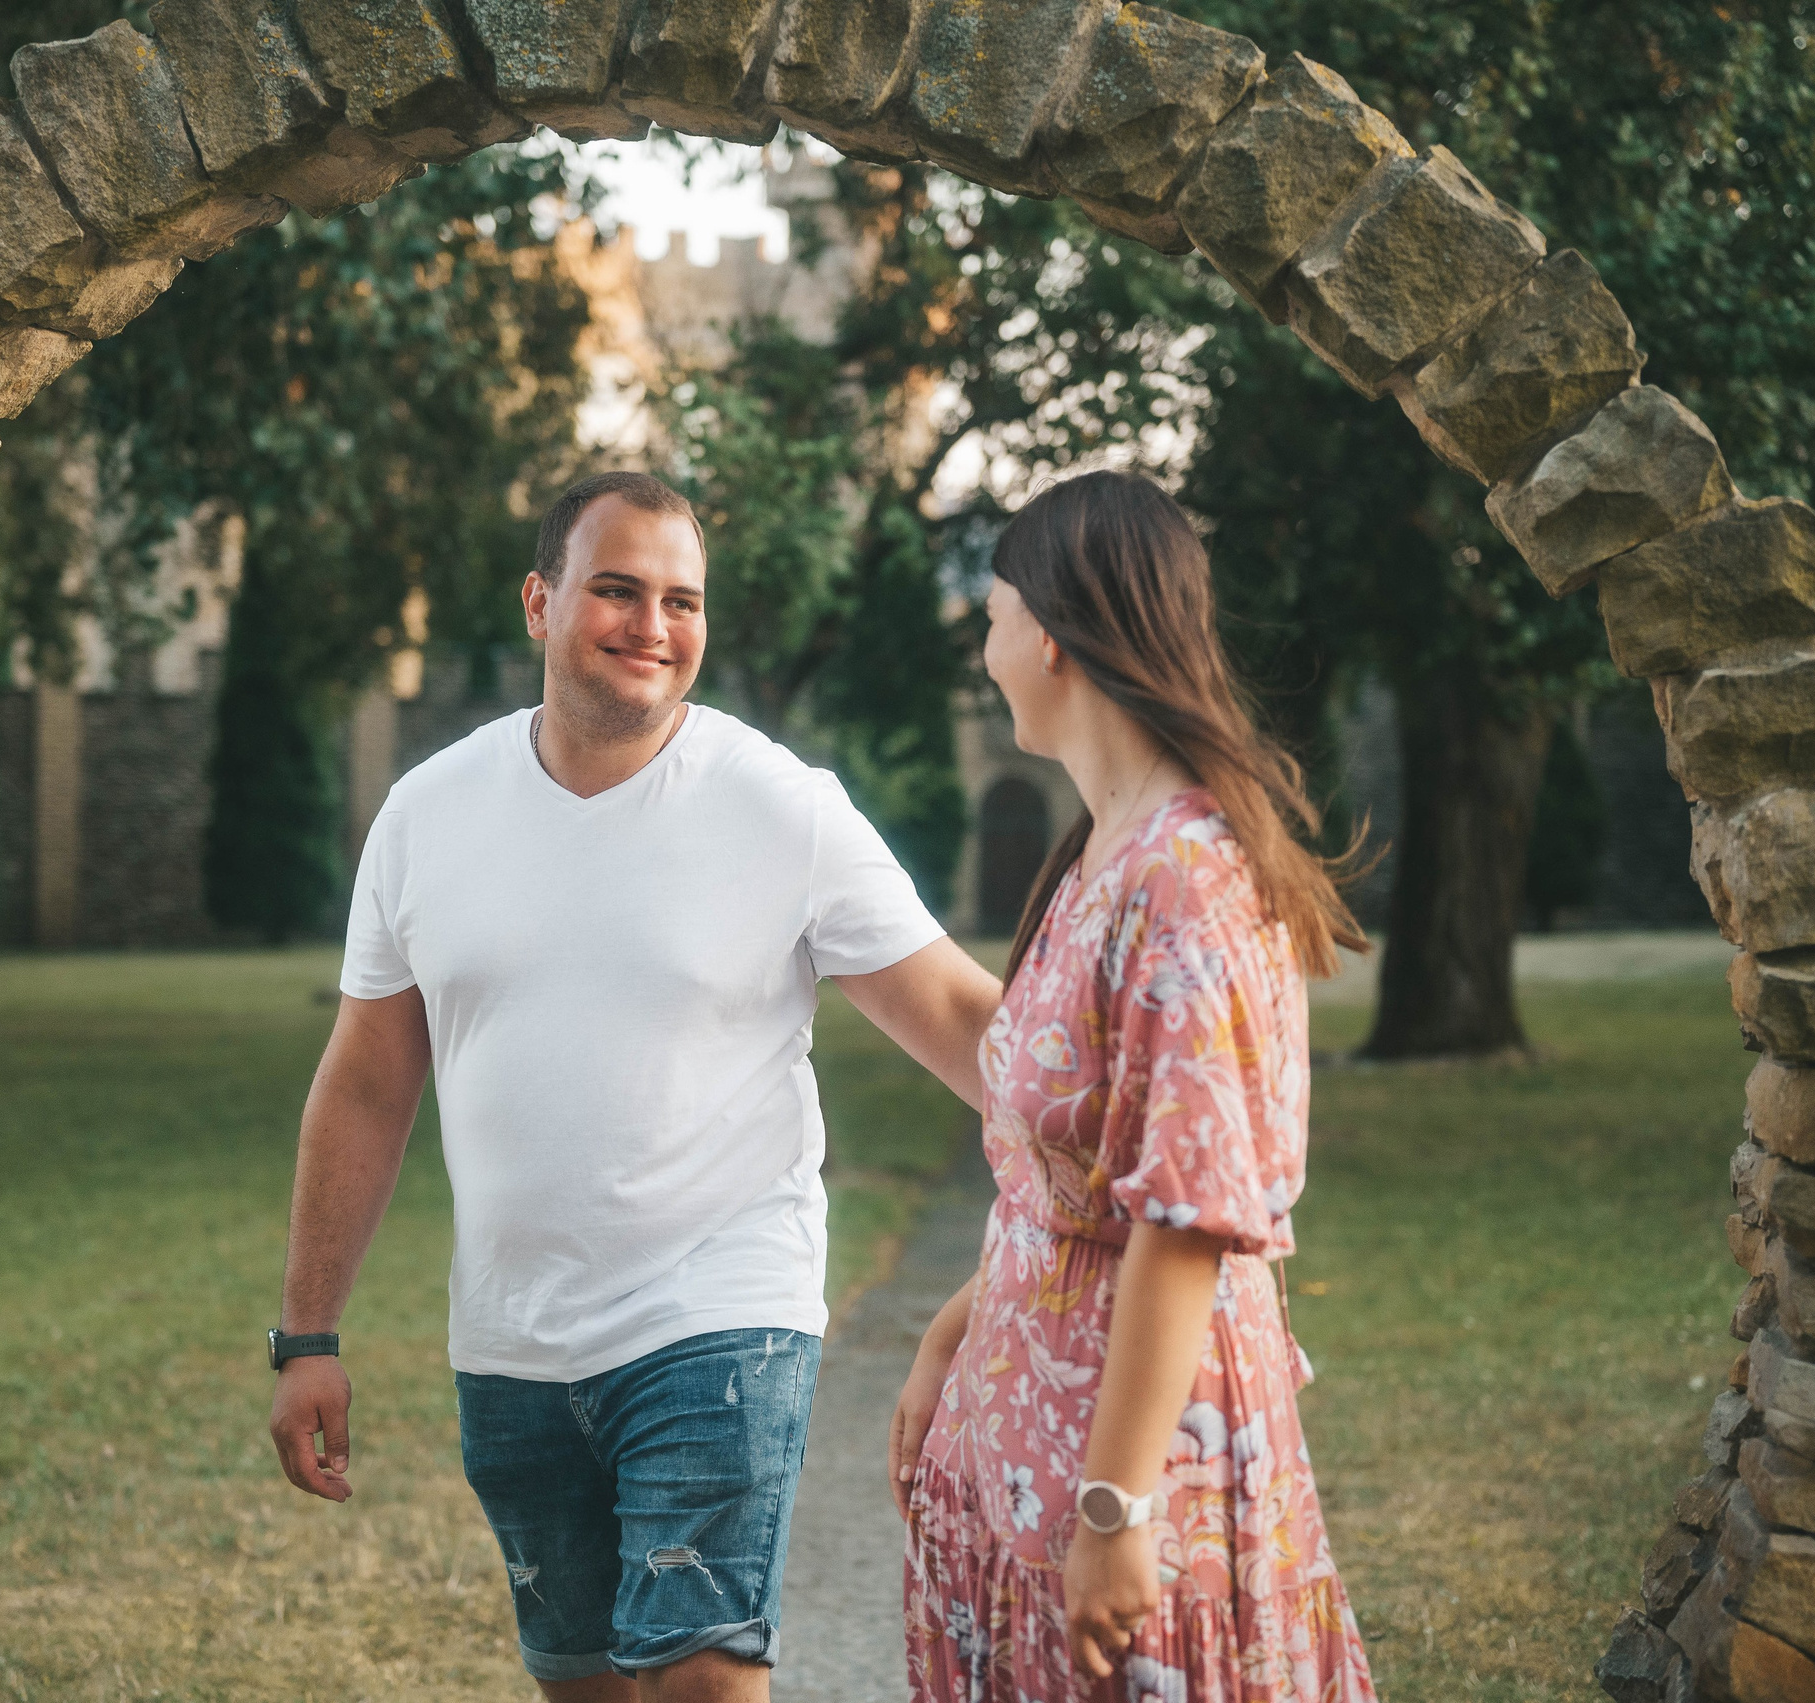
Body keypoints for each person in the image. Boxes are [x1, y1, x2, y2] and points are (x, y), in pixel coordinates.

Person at [269, 471, 1004, 1702]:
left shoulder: (782, 808)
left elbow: (962, 1017)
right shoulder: (425, 813)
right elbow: (365, 1082)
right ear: (540, 600)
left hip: (721, 1314)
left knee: (704, 1676)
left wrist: (1136, 1121)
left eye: (682, 599)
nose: (652, 626)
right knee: (586, 1685)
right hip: (510, 1338)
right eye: (617, 589)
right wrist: (307, 1334)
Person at [891, 471, 1377, 1702]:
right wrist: (963, 1324)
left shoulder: (1188, 878)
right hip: (1028, 1438)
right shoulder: (1097, 851)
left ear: (1047, 632)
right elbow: (1076, 1176)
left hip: (1141, 1467)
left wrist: (1115, 1508)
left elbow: (1184, 1220)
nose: (983, 641)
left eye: (991, 610)